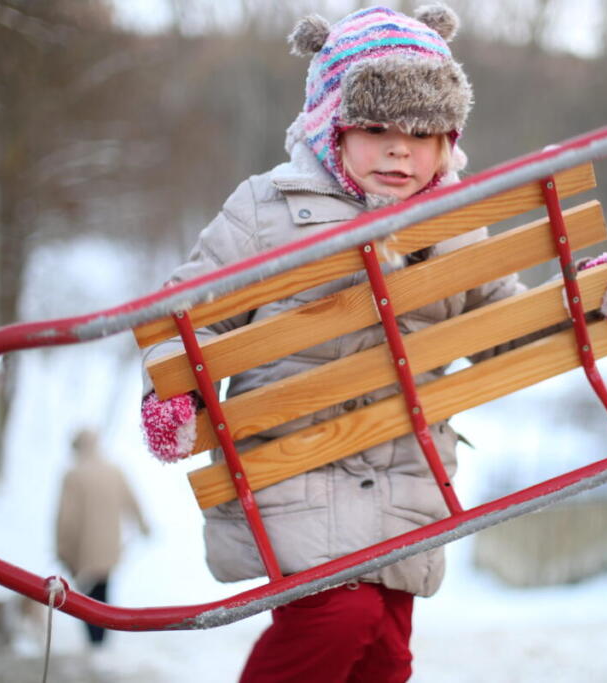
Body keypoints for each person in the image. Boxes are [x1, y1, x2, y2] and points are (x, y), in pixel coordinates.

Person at [140, 5, 539, 681]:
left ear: (448, 139)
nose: (398, 149)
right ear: (332, 124)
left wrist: (583, 307)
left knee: (384, 657)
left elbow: (502, 321)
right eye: (376, 127)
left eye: (421, 132)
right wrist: (172, 392)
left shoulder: (455, 225)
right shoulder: (269, 208)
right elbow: (190, 311)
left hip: (405, 480)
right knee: (338, 617)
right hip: (298, 468)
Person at [56, 428, 149, 647]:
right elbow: (131, 500)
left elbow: (65, 517)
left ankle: (95, 640)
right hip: (110, 546)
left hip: (83, 548)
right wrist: (143, 525)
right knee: (104, 590)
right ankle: (103, 638)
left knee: (86, 595)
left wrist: (62, 547)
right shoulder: (114, 471)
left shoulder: (74, 474)